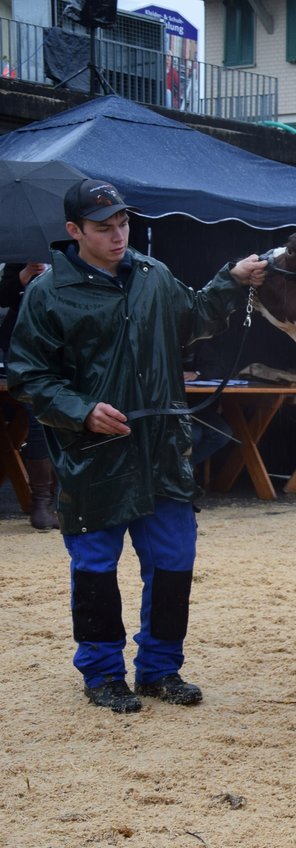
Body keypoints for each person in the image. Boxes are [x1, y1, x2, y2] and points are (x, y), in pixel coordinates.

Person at [5, 178, 268, 713]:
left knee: (174, 562)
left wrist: (232, 279)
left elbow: (193, 318)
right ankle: (102, 674)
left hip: (163, 452)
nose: (119, 235)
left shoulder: (154, 275)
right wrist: (81, 411)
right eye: (104, 228)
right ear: (74, 231)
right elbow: (28, 375)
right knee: (95, 569)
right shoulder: (46, 292)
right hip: (93, 457)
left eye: (123, 223)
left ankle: (160, 670)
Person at [1, 261, 58, 529]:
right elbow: (4, 296)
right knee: (38, 415)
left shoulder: (77, 257)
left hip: (66, 346)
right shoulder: (21, 257)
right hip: (22, 348)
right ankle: (41, 502)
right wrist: (23, 277)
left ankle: (70, 499)